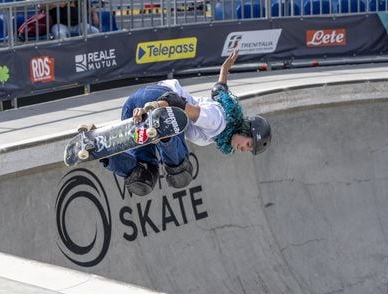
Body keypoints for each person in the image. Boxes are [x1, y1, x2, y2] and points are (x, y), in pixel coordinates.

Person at [101, 50, 272, 196]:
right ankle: (163, 135)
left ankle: (103, 149)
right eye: (248, 144)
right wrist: (152, 108)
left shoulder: (226, 112)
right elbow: (178, 103)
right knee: (181, 172)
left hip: (133, 106)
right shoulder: (217, 121)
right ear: (245, 129)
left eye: (247, 150)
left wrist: (224, 69)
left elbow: (220, 88)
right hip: (158, 102)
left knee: (143, 178)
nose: (243, 149)